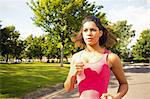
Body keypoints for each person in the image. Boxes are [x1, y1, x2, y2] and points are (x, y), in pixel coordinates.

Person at [64, 16, 128, 99]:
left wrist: (115, 98)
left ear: (100, 33)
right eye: (85, 30)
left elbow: (124, 84)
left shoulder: (111, 57)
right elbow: (68, 88)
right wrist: (72, 74)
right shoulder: (76, 57)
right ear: (82, 34)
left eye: (93, 30)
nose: (89, 33)